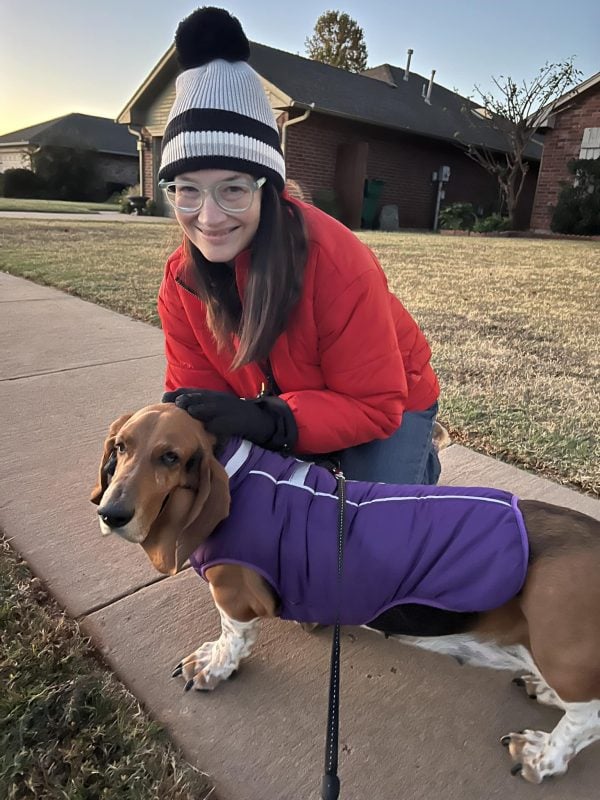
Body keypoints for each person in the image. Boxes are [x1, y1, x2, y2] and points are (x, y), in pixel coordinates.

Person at [158, 6, 441, 485]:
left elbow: (374, 404)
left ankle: (418, 457)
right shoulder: (182, 280)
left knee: (363, 530)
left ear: (268, 188)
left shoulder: (335, 260)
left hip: (388, 401)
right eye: (187, 188)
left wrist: (272, 423)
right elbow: (196, 396)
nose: (207, 217)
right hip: (287, 404)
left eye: (233, 188)